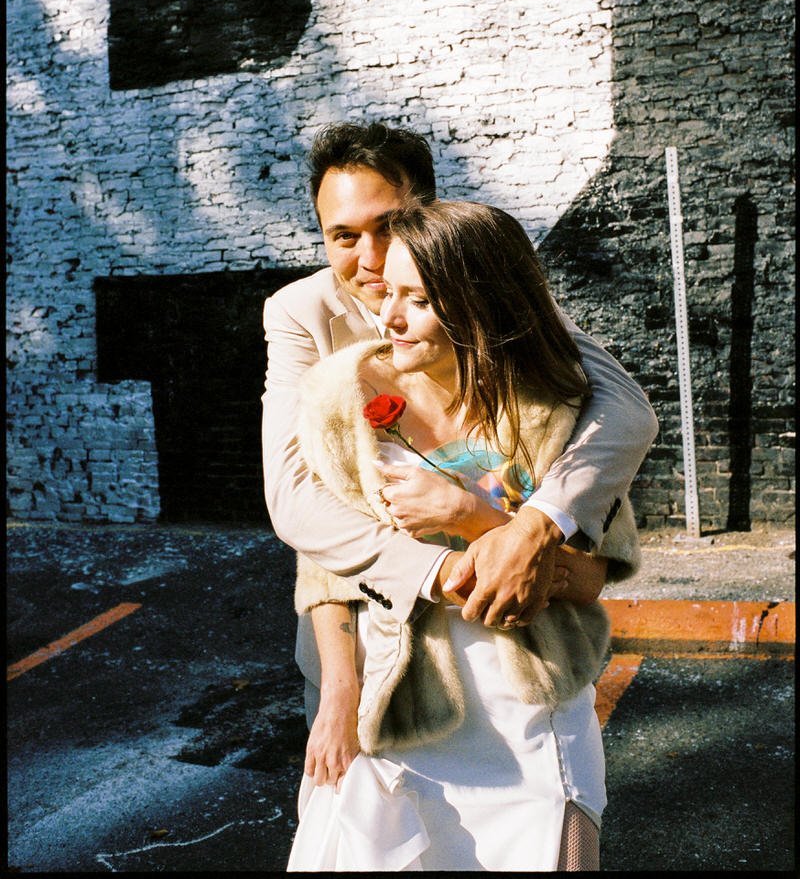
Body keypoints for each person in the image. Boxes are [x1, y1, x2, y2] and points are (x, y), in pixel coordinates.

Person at [286, 200, 643, 871]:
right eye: (386, 292)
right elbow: (325, 565)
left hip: (531, 715)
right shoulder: (339, 399)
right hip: (401, 712)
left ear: (481, 306)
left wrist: (468, 513)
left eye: (416, 300)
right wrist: (338, 696)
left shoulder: (556, 406)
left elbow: (592, 574)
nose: (387, 317)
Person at [262, 121, 657, 634]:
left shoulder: (478, 286)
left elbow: (624, 405)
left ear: (427, 212)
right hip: (372, 632)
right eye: (344, 236)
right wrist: (446, 571)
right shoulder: (299, 311)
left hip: (524, 633)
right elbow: (294, 493)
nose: (372, 258)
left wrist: (534, 532)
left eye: (387, 227)